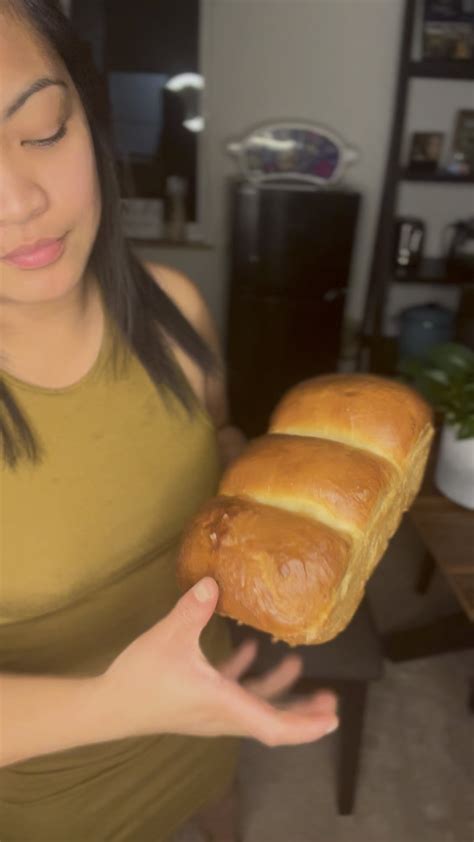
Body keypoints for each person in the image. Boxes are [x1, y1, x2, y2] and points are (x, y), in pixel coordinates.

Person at [0, 2, 339, 840]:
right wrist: (114, 704)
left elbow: (217, 446)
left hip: (209, 725)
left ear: (90, 118)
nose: (18, 200)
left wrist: (283, 498)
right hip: (54, 806)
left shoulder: (175, 309)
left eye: (41, 129)